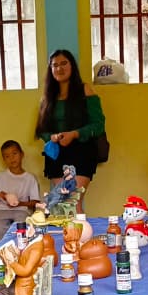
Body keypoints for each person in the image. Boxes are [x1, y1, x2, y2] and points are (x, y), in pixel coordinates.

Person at [37, 50, 105, 205]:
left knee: (73, 202)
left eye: (64, 63)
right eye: (55, 65)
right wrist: (52, 137)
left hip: (81, 152)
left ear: (72, 66)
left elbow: (98, 125)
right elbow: (42, 131)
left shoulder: (84, 90)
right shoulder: (47, 97)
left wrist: (74, 134)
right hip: (56, 154)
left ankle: (80, 224)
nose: (59, 68)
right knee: (63, 204)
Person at [0, 140, 41, 243]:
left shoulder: (30, 178)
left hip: (22, 210)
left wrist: (19, 203)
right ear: (4, 159)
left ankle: (17, 247)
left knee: (21, 227)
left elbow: (35, 202)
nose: (12, 158)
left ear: (22, 154)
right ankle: (10, 247)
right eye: (7, 156)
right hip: (1, 210)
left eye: (14, 153)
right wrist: (0, 196)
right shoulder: (0, 176)